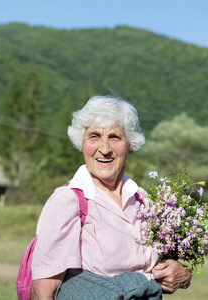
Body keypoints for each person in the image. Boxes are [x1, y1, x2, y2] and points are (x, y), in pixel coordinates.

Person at [30, 95, 192, 299]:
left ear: (130, 146)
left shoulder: (144, 201)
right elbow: (43, 291)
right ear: (81, 143)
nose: (104, 149)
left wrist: (183, 274)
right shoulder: (69, 201)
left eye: (115, 137)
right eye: (94, 136)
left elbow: (166, 266)